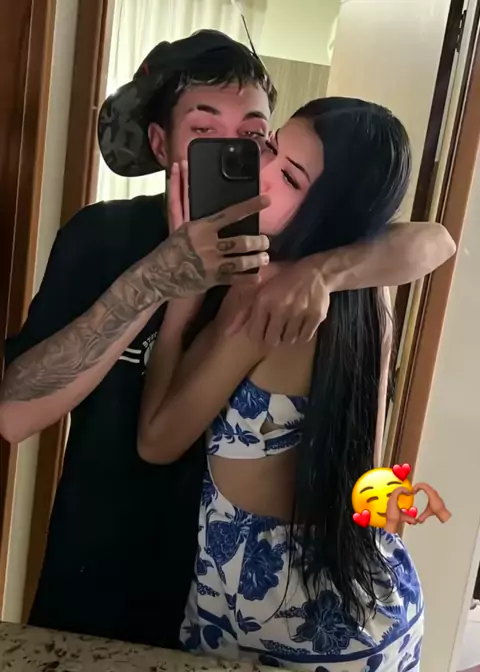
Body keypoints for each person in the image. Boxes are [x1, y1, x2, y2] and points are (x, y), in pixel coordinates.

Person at [0, 31, 454, 647]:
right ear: (160, 144)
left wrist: (322, 271)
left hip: (229, 605)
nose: (239, 159)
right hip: (100, 575)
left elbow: (434, 239)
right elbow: (13, 416)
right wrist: (157, 279)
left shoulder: (284, 260)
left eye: (254, 137)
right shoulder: (103, 235)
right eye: (204, 131)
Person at [137, 98, 425, 670]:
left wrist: (181, 301)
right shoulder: (372, 294)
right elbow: (430, 240)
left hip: (275, 617)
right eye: (269, 149)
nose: (262, 173)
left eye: (290, 177)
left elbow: (156, 440)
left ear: (332, 212)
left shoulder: (265, 301)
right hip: (375, 600)